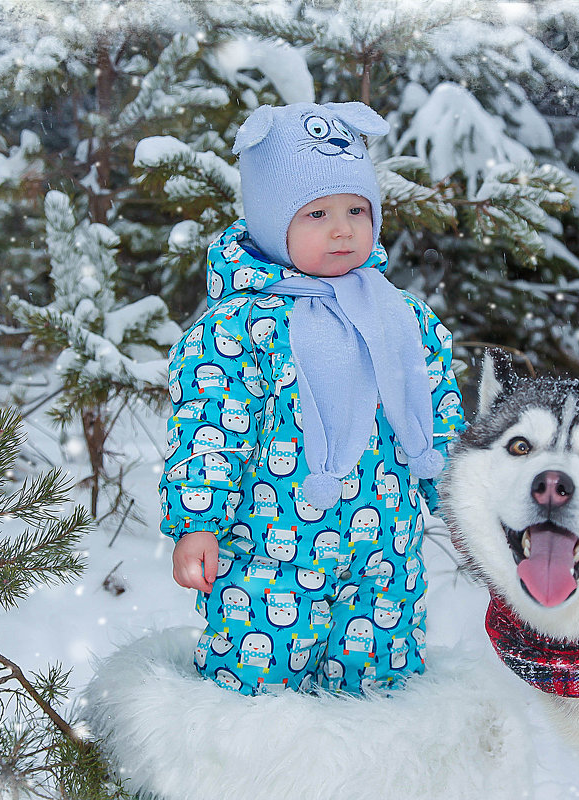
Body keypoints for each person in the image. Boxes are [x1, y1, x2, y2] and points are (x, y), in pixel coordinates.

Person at [159, 101, 464, 696]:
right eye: (317, 213)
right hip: (269, 556)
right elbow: (211, 426)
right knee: (257, 685)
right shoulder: (242, 326)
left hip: (387, 551)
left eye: (357, 210)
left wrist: (454, 491)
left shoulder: (402, 317)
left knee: (380, 691)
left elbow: (437, 407)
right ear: (275, 222)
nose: (343, 229)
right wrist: (197, 524)